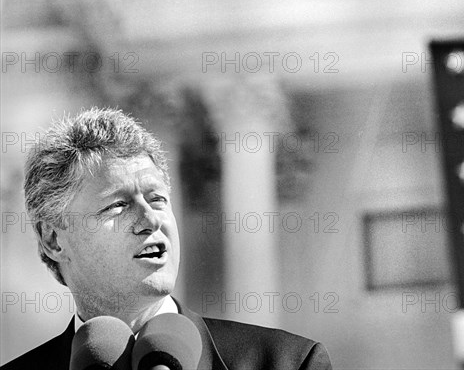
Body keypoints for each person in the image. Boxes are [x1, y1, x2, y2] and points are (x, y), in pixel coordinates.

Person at [1, 107, 332, 370]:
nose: (150, 220)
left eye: (157, 199)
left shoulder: (288, 362)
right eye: (117, 205)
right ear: (53, 239)